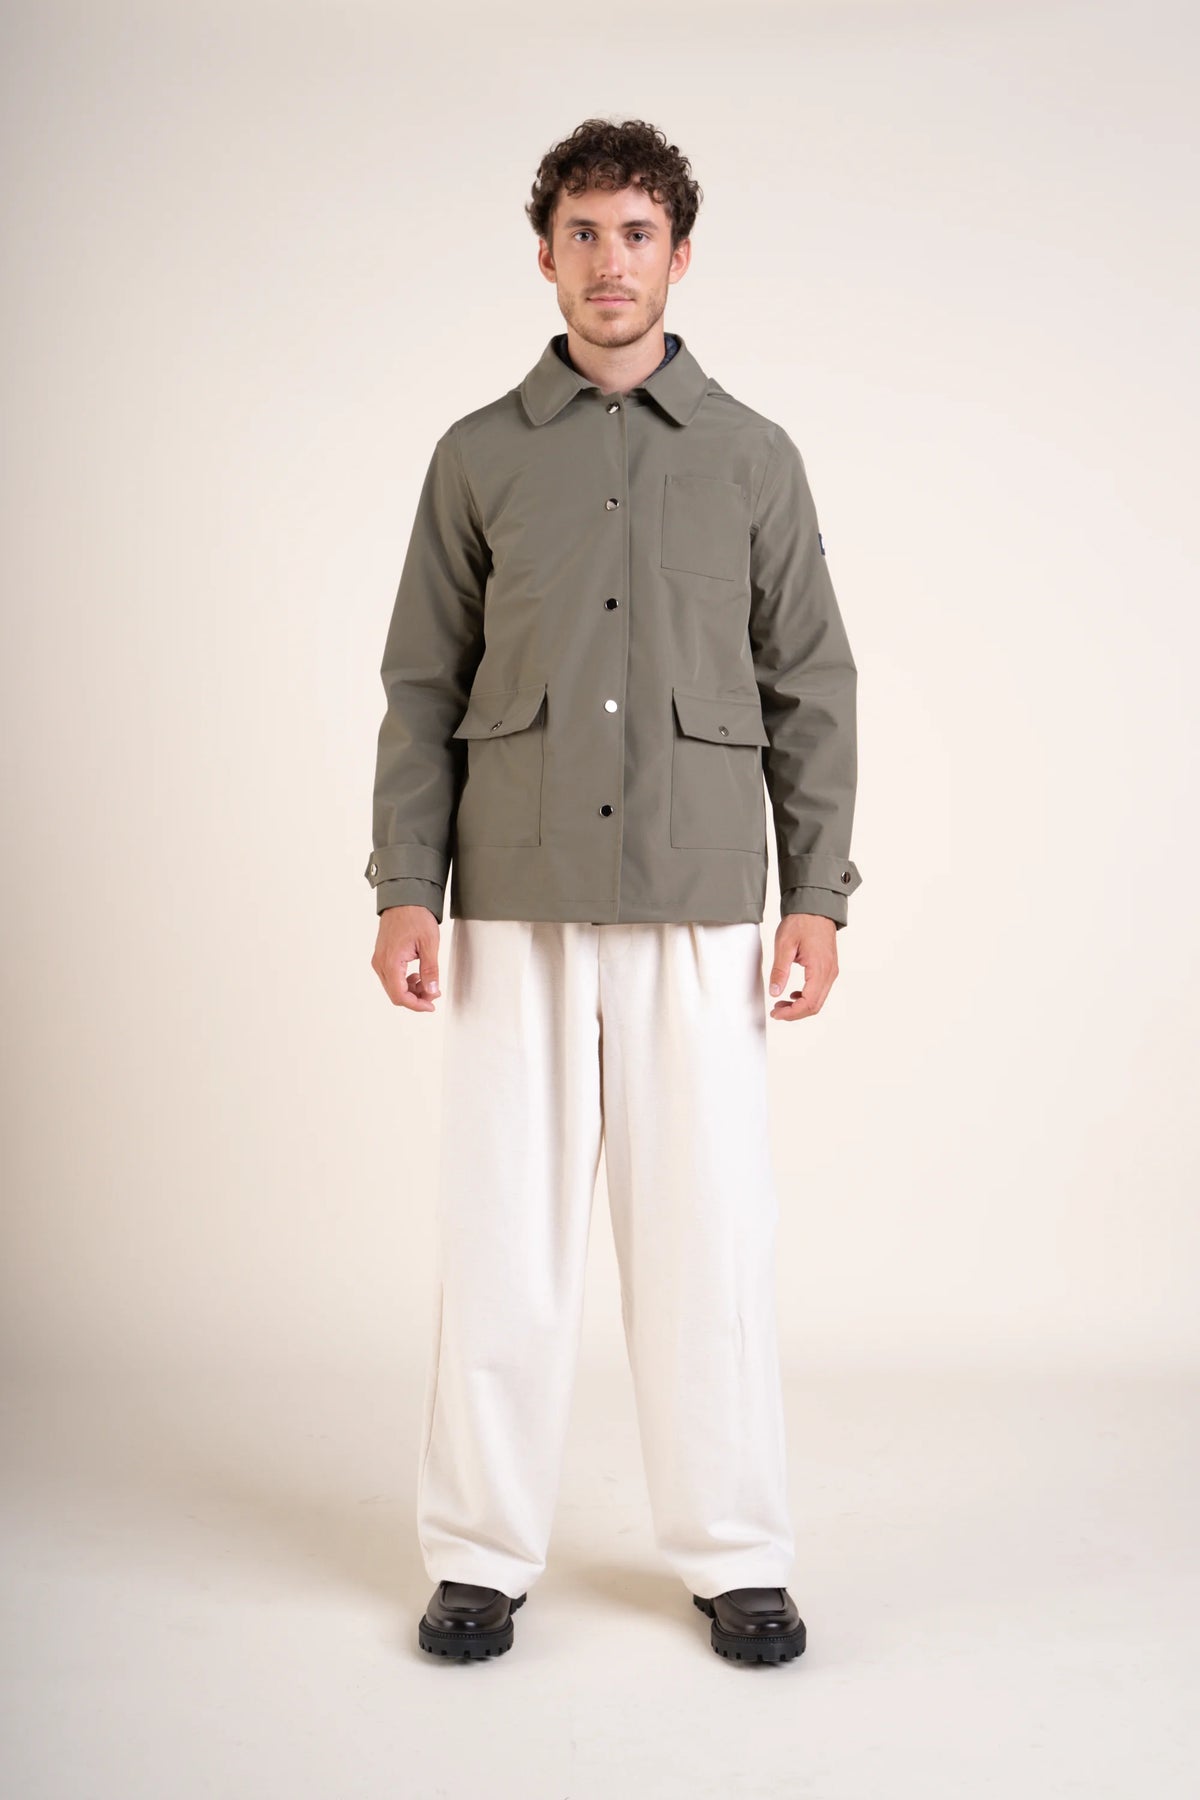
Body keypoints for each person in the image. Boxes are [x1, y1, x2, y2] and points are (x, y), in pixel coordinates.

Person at [364, 117, 862, 1665]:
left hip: (701, 900)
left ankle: (738, 1553)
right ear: (546, 255)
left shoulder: (753, 456)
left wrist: (817, 894)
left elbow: (812, 685)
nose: (609, 261)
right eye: (582, 232)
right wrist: (404, 884)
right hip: (509, 895)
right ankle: (478, 1555)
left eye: (636, 233)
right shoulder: (479, 455)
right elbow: (421, 681)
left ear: (679, 255)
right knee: (504, 1243)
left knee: (708, 1240)